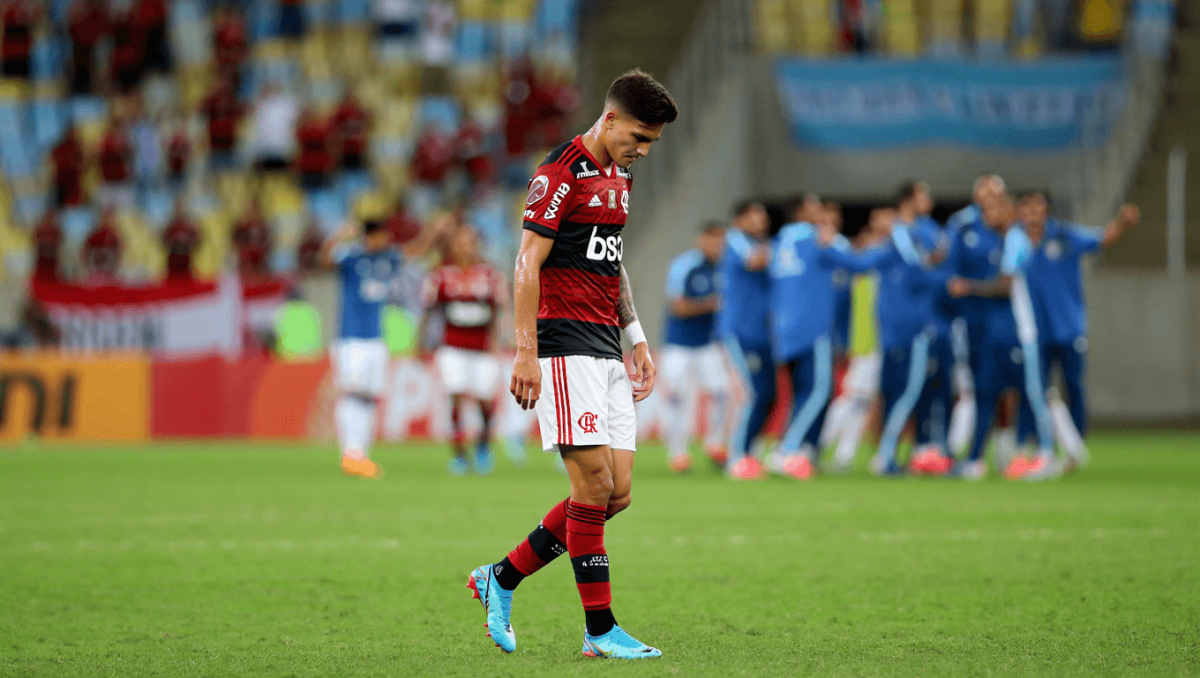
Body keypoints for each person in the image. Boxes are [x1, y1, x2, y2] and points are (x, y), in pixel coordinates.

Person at [466, 69, 676, 660]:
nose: (643, 149)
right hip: (562, 346)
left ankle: (499, 579)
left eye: (652, 142)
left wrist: (635, 336)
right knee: (593, 485)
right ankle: (599, 629)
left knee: (617, 494)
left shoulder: (620, 175)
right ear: (609, 119)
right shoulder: (559, 173)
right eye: (638, 136)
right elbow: (526, 263)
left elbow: (611, 261)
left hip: (607, 343)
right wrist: (526, 352)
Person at [766, 205, 890, 480]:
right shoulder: (818, 239)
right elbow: (859, 265)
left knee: (802, 394)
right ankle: (787, 450)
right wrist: (891, 245)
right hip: (813, 328)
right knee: (819, 391)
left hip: (784, 329)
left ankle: (803, 450)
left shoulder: (781, 242)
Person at [1015, 193, 1138, 465]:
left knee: (1073, 385)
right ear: (1019, 211)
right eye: (1027, 206)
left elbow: (1101, 238)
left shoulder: (1064, 235)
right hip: (1035, 331)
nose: (1033, 212)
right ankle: (1031, 443)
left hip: (1069, 327)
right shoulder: (1015, 242)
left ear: (1046, 209)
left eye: (1038, 205)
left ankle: (1076, 441)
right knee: (1033, 389)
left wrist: (1121, 221)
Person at [945, 191, 1058, 481]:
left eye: (998, 208)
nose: (990, 213)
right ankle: (978, 459)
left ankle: (1046, 454)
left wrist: (968, 287)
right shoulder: (1006, 240)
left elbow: (1006, 286)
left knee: (1034, 393)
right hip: (1002, 333)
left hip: (1025, 331)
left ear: (1010, 211)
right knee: (986, 392)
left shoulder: (1015, 239)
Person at [318, 220, 404, 479]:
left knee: (369, 397)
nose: (384, 241)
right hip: (351, 338)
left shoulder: (387, 260)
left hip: (376, 339)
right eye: (380, 236)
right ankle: (350, 452)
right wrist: (339, 235)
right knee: (352, 394)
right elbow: (323, 261)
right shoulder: (352, 257)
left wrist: (434, 232)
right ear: (369, 237)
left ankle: (361, 455)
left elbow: (414, 252)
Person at [421, 225, 509, 475]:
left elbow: (499, 311)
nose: (467, 247)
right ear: (453, 245)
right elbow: (428, 311)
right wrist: (421, 343)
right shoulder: (441, 275)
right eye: (462, 242)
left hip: (482, 350)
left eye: (471, 242)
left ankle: (483, 445)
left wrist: (499, 340)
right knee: (456, 396)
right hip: (452, 348)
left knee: (484, 400)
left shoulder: (491, 276)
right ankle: (459, 454)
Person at [659, 221, 730, 472]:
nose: (716, 246)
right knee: (678, 398)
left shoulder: (725, 267)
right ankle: (678, 453)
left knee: (722, 392)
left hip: (709, 343)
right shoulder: (684, 265)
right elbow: (677, 306)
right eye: (712, 240)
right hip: (678, 344)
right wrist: (710, 304)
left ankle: (714, 443)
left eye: (721, 240)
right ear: (701, 240)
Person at [717, 200, 774, 480]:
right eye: (755, 216)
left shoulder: (759, 243)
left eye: (763, 217)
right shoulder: (736, 240)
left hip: (761, 332)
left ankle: (750, 454)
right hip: (738, 332)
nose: (761, 221)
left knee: (769, 394)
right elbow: (756, 261)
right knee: (751, 394)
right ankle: (737, 457)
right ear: (739, 219)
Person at [162, 200, 200, 282]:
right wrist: (175, 241)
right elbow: (164, 240)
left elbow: (197, 239)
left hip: (186, 257)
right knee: (172, 281)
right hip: (173, 257)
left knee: (186, 280)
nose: (181, 211)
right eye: (178, 209)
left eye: (182, 209)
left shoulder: (190, 226)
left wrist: (187, 242)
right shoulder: (171, 225)